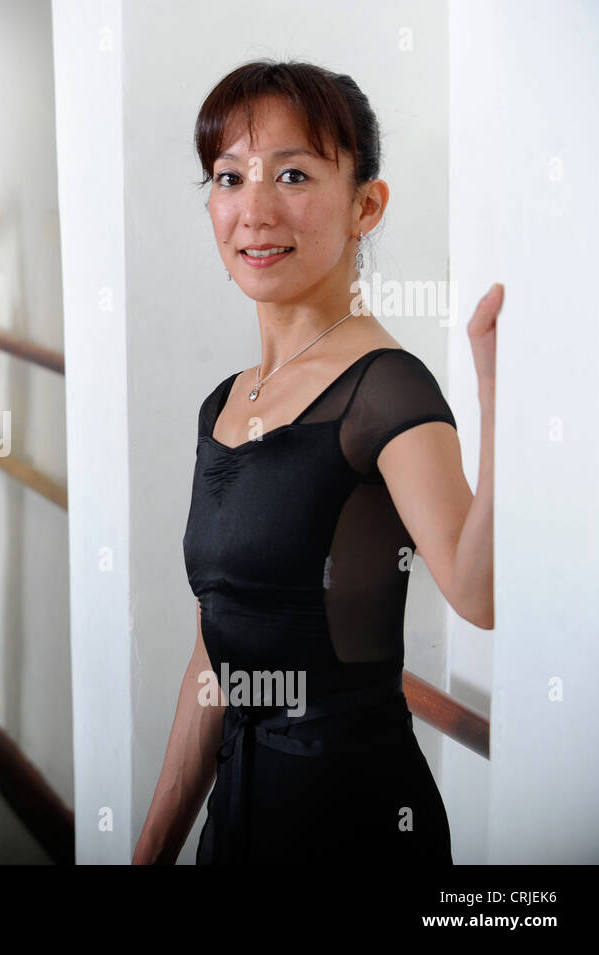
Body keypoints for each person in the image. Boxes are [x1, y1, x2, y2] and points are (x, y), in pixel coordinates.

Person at [133, 60, 499, 864]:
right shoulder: (226, 402)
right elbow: (214, 651)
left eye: (293, 174)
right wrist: (152, 847)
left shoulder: (386, 389)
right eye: (229, 177)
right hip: (238, 813)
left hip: (353, 822)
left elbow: (480, 592)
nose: (254, 210)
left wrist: (499, 394)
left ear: (366, 204)